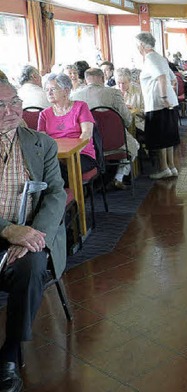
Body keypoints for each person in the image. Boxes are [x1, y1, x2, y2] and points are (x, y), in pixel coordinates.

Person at [0, 78, 67, 392]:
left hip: (31, 231)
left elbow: (56, 194)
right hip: (5, 230)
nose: (11, 111)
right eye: (0, 105)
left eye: (14, 101)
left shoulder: (41, 143)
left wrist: (33, 235)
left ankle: (10, 355)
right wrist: (8, 230)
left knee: (32, 267)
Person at [72, 68, 139, 189]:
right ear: (103, 78)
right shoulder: (113, 93)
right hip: (115, 142)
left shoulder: (75, 96)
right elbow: (128, 120)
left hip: (88, 143)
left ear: (86, 80)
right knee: (134, 145)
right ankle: (118, 177)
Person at [136, 32, 180, 180]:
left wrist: (163, 97)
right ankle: (171, 166)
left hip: (158, 103)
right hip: (169, 102)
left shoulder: (150, 59)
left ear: (141, 45)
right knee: (168, 136)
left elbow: (161, 77)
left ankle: (163, 168)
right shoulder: (161, 58)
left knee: (161, 137)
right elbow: (173, 79)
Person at [38, 73, 97, 180]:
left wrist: (70, 153)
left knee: (58, 171)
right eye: (47, 90)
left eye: (53, 89)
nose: (49, 93)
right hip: (55, 156)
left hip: (81, 154)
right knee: (43, 169)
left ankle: (70, 195)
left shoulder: (81, 106)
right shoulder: (44, 114)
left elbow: (87, 133)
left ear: (66, 91)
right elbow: (41, 140)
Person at [115, 68, 145, 135]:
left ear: (130, 81)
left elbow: (145, 112)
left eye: (124, 83)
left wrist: (134, 109)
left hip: (136, 122)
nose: (121, 86)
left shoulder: (138, 91)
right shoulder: (112, 91)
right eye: (118, 83)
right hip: (117, 123)